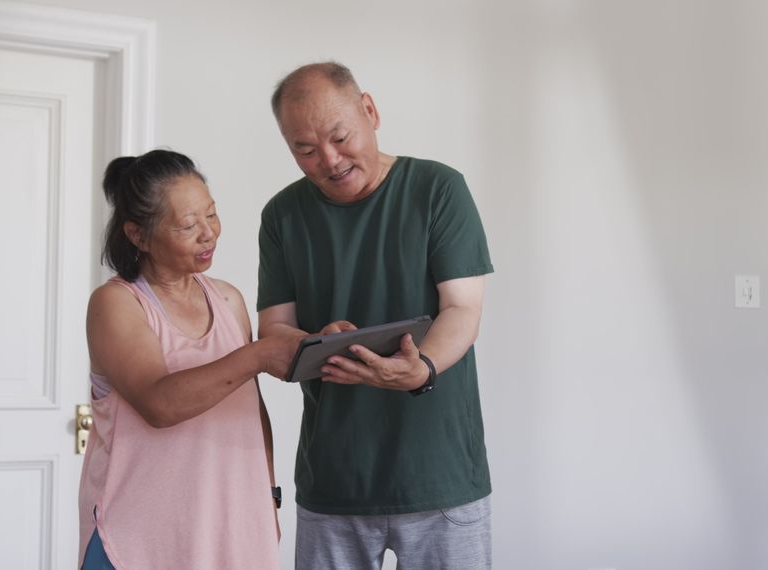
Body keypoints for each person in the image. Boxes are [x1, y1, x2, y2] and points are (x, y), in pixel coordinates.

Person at [258, 62, 494, 569]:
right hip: (334, 480)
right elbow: (273, 332)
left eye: (340, 137)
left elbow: (463, 308)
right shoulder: (282, 215)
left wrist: (421, 367)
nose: (329, 159)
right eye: (304, 149)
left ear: (370, 110)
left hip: (441, 478)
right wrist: (314, 341)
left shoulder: (438, 189)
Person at [78, 149, 300, 569]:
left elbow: (251, 409)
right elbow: (159, 404)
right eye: (187, 224)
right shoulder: (116, 304)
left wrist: (268, 496)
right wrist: (258, 354)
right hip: (139, 536)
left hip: (231, 525)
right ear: (138, 235)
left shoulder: (229, 299)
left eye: (212, 215)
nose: (208, 234)